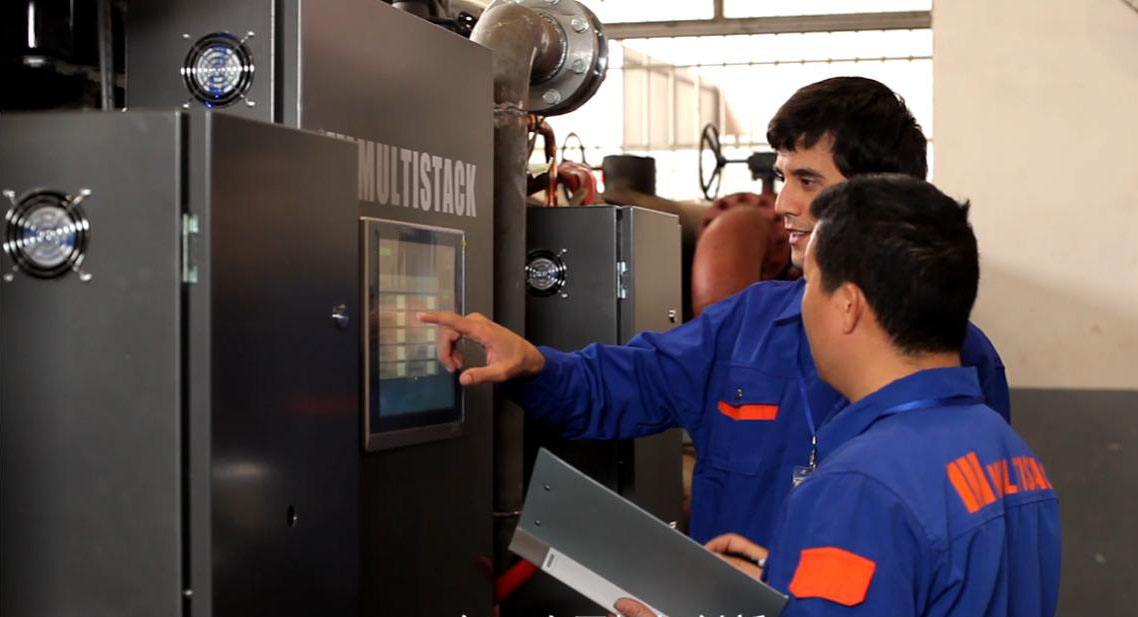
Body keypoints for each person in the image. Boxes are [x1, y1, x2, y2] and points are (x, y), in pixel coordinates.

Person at [418, 77, 1011, 550]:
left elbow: (960, 539)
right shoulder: (746, 325)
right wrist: (531, 365)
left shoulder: (960, 357)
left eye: (808, 180)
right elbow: (613, 386)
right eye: (782, 177)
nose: (783, 204)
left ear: (878, 198)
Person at [616, 175, 1060, 617]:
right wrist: (798, 583)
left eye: (809, 281)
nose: (801, 302)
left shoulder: (859, 487)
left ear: (848, 305)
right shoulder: (1007, 450)